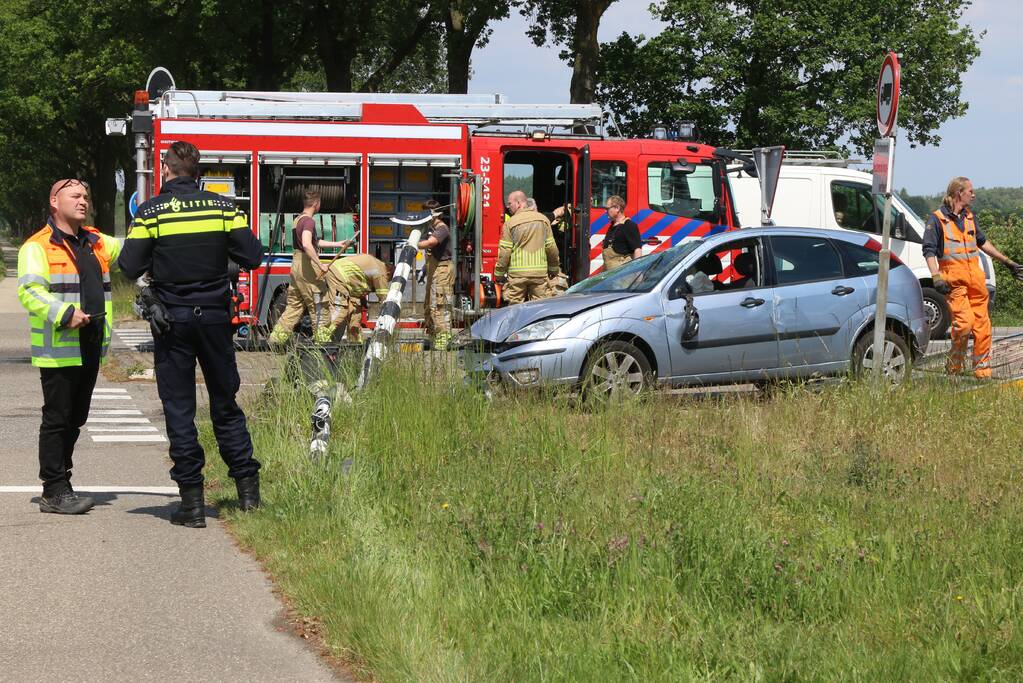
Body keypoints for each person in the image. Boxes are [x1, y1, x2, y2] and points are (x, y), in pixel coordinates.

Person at [117, 140, 264, 528]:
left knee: (179, 409)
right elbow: (253, 256)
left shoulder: (151, 212)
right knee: (225, 403)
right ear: (199, 172)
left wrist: (158, 255)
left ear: (166, 170)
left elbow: (129, 266)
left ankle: (193, 504)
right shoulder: (223, 207)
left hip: (173, 323)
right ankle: (248, 493)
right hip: (216, 319)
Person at [17, 179, 121, 514]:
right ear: (54, 201)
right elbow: (30, 292)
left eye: (86, 196)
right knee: (58, 418)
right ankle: (53, 489)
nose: (83, 201)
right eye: (75, 196)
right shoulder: (37, 246)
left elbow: (130, 246)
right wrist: (65, 313)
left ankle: (63, 480)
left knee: (76, 418)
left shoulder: (95, 240)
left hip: (91, 343)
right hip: (59, 348)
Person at [923, 176, 1023, 379]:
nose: (973, 194)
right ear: (959, 192)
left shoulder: (969, 217)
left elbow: (983, 243)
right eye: (971, 191)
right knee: (964, 324)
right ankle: (954, 368)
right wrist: (936, 277)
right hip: (955, 283)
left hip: (976, 282)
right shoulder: (937, 219)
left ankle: (982, 371)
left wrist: (1008, 262)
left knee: (983, 327)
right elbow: (929, 251)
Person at [268, 190, 353, 346]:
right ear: (316, 204)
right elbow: (307, 244)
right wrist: (320, 264)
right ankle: (322, 344)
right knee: (319, 303)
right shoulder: (309, 222)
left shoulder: (298, 220)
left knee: (294, 306)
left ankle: (275, 341)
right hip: (307, 267)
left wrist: (337, 244)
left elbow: (313, 242)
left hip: (296, 266)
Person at [495, 190, 560, 304]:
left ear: (519, 203)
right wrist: (554, 269)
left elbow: (505, 252)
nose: (508, 207)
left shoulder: (510, 223)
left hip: (517, 277)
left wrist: (499, 274)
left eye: (510, 203)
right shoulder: (543, 220)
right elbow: (551, 248)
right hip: (539, 275)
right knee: (539, 308)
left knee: (514, 309)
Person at [321, 253, 391, 343]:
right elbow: (383, 297)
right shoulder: (382, 273)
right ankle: (322, 338)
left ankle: (354, 344)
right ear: (388, 273)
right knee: (340, 310)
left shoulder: (377, 264)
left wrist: (362, 299)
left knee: (356, 315)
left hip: (346, 282)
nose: (387, 281)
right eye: (389, 279)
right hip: (338, 277)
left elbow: (358, 279)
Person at [417, 200, 454, 350]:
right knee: (429, 305)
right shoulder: (430, 227)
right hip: (433, 267)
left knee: (439, 305)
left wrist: (414, 243)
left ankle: (444, 337)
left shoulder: (442, 228)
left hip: (443, 269)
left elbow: (431, 243)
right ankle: (433, 336)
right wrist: (425, 270)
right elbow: (430, 253)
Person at [601, 195, 642, 272]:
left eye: (607, 209)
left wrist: (637, 273)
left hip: (622, 277)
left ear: (617, 208)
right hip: (610, 275)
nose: (605, 211)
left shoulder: (629, 225)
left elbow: (637, 250)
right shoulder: (613, 226)